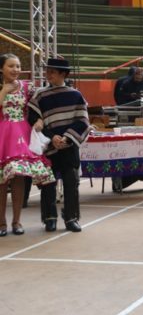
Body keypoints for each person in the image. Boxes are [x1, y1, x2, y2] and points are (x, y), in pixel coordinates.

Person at [28, 58, 90, 233]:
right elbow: (33, 119)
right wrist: (51, 137)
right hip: (48, 146)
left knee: (71, 182)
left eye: (52, 72)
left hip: (69, 147)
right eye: (47, 71)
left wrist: (67, 138)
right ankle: (50, 218)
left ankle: (71, 217)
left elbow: (83, 121)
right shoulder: (40, 95)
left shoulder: (75, 95)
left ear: (63, 74)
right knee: (48, 183)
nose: (48, 75)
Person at [0, 54, 56, 236]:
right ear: (1, 68)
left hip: (21, 136)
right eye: (11, 66)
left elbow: (39, 107)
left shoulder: (27, 87)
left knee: (19, 178)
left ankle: (16, 222)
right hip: (3, 135)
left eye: (18, 66)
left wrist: (39, 119)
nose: (15, 69)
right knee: (1, 181)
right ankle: (1, 223)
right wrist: (3, 91)